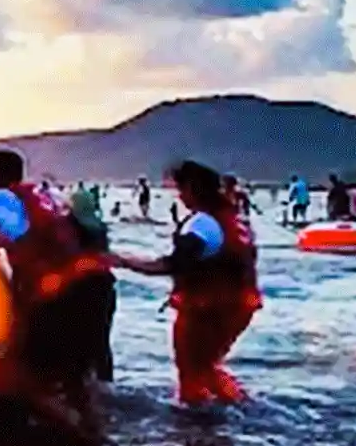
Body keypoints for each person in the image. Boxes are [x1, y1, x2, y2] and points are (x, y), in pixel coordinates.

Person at [0, 150, 116, 443]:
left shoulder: (1, 197)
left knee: (29, 383)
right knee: (74, 380)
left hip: (62, 295)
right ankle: (97, 435)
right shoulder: (48, 197)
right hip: (94, 285)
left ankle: (81, 438)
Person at [112, 160, 262, 407]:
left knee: (191, 371)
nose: (180, 197)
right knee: (207, 366)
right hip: (239, 305)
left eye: (181, 190)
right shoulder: (235, 220)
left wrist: (122, 260)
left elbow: (172, 264)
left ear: (193, 188)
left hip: (206, 308)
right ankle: (236, 407)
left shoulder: (201, 223)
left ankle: (197, 427)